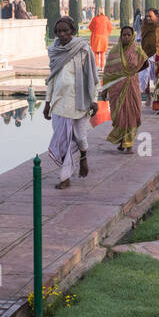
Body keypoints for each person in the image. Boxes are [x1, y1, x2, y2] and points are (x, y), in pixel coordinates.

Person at [43, 16, 98, 189]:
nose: (62, 34)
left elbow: (91, 76)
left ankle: (83, 157)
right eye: (59, 31)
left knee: (80, 137)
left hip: (79, 101)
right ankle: (65, 177)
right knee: (63, 140)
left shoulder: (82, 49)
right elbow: (52, 78)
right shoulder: (54, 51)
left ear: (72, 31)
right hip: (59, 102)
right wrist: (47, 102)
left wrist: (94, 100)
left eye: (65, 31)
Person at [101, 25, 147, 152]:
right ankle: (122, 141)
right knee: (119, 115)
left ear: (132, 36)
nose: (126, 37)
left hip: (132, 86)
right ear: (120, 36)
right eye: (124, 35)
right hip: (117, 88)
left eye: (128, 35)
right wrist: (105, 89)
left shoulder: (137, 51)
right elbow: (108, 72)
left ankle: (129, 144)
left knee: (132, 113)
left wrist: (133, 73)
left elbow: (145, 63)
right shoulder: (114, 52)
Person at [139, 8, 159, 102]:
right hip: (146, 53)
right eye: (147, 16)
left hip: (157, 54)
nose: (148, 18)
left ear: (157, 16)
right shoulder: (145, 27)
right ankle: (148, 96)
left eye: (150, 16)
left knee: (156, 77)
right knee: (144, 75)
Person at [88, 6, 112, 71]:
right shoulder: (106, 19)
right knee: (103, 53)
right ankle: (102, 67)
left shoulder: (95, 19)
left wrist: (95, 31)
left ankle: (96, 66)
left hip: (96, 37)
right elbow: (110, 27)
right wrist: (106, 34)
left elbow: (90, 27)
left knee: (96, 53)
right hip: (104, 37)